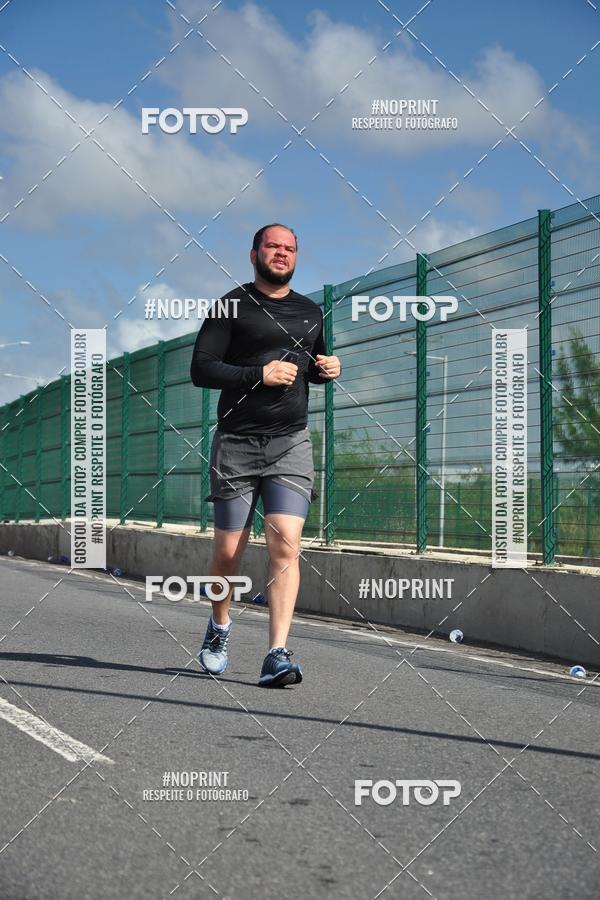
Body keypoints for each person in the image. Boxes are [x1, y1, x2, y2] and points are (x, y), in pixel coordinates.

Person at [190, 223, 341, 686]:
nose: (281, 253)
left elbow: (311, 365)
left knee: (285, 544)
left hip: (290, 441)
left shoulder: (311, 311)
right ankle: (219, 627)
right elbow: (201, 368)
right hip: (236, 443)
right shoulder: (230, 305)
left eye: (289, 248)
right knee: (228, 552)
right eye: (273, 246)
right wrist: (257, 374)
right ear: (254, 253)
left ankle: (276, 652)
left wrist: (326, 369)